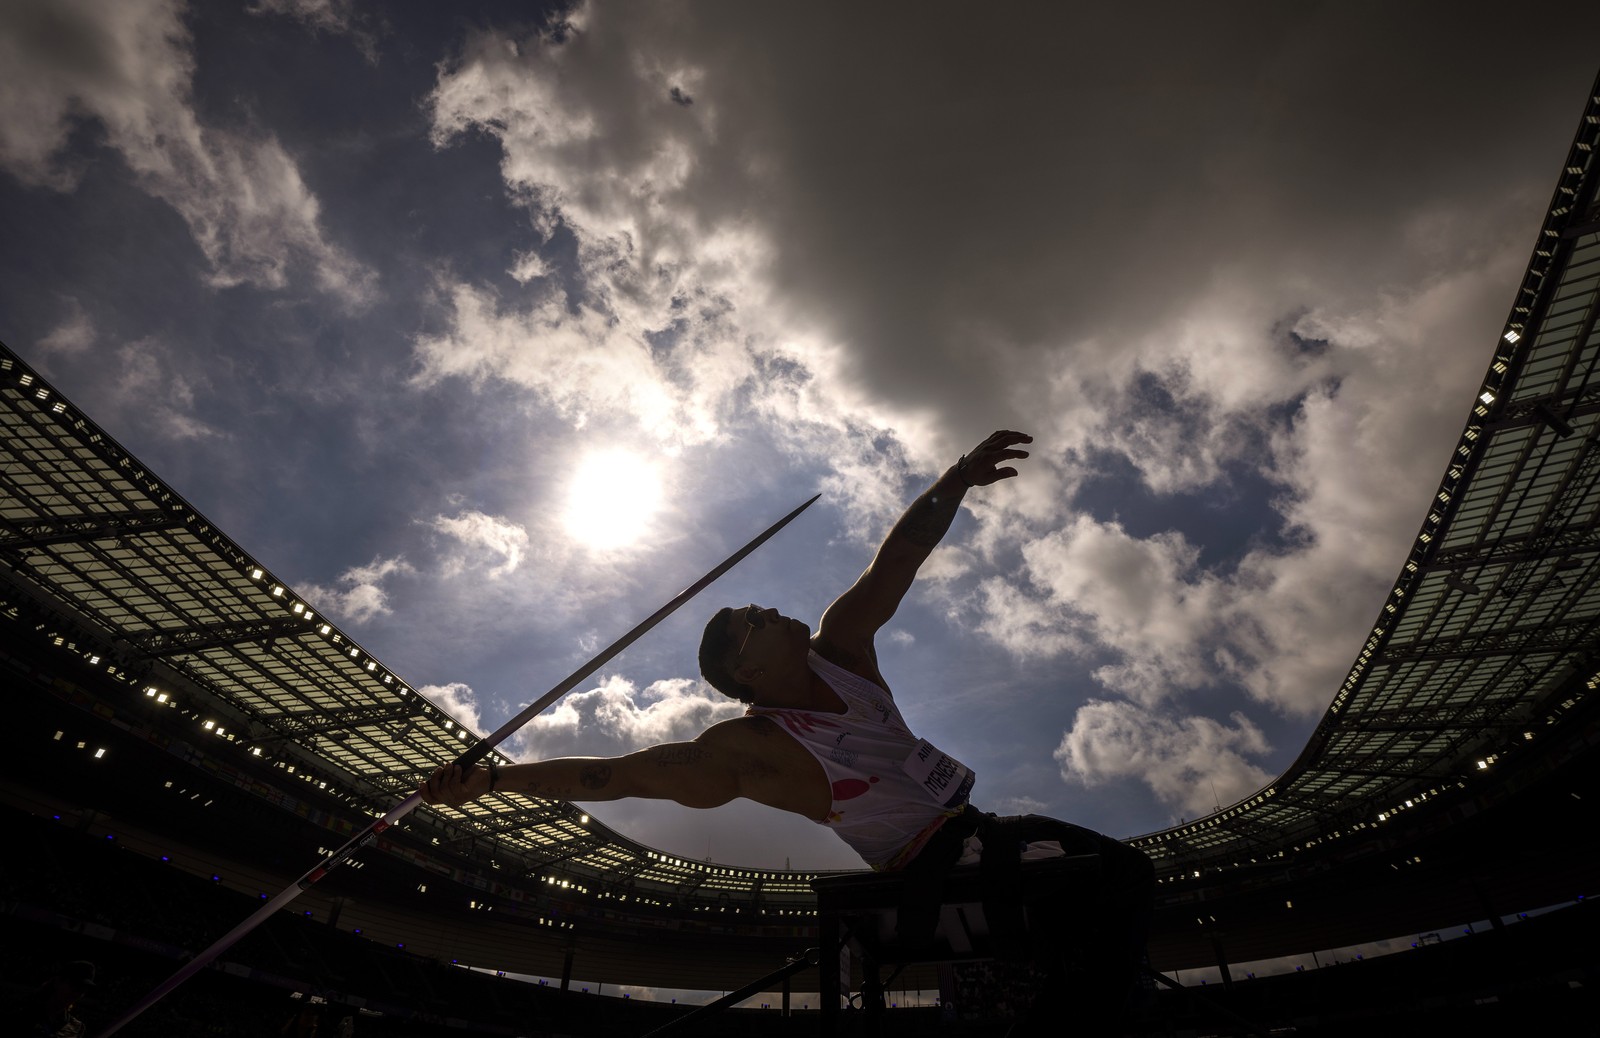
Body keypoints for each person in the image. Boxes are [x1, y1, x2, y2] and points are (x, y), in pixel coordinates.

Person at [421, 430, 1153, 1022]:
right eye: (751, 623)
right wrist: (488, 781)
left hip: (980, 826)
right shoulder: (750, 747)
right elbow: (613, 774)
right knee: (1104, 892)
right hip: (929, 862)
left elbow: (896, 561)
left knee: (1127, 876)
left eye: (757, 606)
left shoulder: (843, 652)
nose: (767, 610)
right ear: (747, 676)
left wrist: (953, 480)